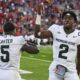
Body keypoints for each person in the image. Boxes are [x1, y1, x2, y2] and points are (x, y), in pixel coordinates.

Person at [34, 10, 80, 80]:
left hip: (71, 69)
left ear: (74, 21)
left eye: (70, 18)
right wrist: (39, 14)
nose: (67, 20)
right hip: (56, 67)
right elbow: (37, 34)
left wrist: (77, 73)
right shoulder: (55, 29)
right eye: (65, 18)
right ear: (62, 20)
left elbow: (79, 58)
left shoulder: (78, 34)